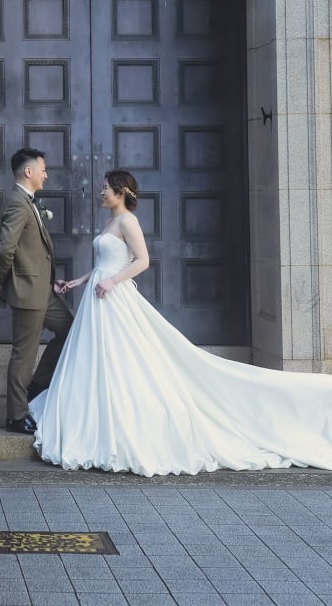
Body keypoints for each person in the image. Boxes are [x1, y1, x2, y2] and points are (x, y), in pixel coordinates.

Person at [30, 169, 332, 475]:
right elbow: (103, 265)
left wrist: (112, 283)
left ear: (121, 192)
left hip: (114, 299)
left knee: (121, 358)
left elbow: (142, 261)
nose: (100, 191)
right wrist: (78, 281)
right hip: (98, 298)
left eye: (105, 187)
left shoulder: (128, 221)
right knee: (95, 358)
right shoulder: (111, 221)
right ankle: (91, 414)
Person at [0, 148, 74, 434]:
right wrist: (5, 280)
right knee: (24, 354)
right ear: (28, 172)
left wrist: (50, 280)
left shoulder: (29, 202)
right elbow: (5, 248)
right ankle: (16, 415)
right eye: (43, 168)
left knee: (70, 330)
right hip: (27, 292)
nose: (46, 173)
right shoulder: (17, 202)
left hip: (44, 291)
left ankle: (38, 384)